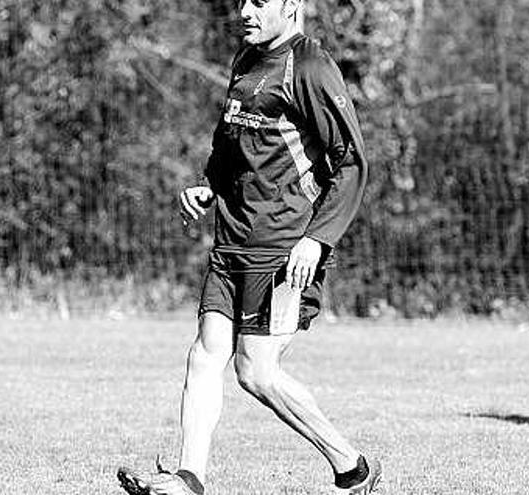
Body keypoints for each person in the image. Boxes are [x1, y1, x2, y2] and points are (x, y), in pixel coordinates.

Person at [117, 0, 380, 493]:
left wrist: (315, 240)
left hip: (282, 250)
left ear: (292, 6)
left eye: (259, 1)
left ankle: (353, 466)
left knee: (255, 371)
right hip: (231, 242)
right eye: (242, 0)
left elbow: (351, 163)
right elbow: (230, 144)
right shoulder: (245, 59)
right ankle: (189, 478)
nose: (245, 10)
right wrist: (209, 186)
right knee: (204, 354)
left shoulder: (310, 67)